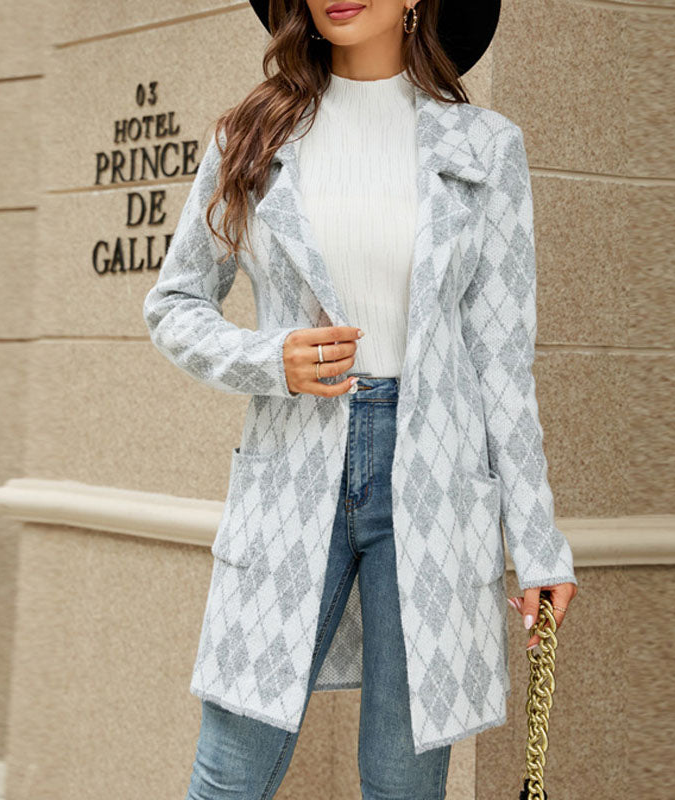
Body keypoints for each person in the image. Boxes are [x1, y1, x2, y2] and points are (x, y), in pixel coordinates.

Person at [143, 1, 579, 797]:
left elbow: (502, 361)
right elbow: (174, 305)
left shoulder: (485, 145)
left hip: (435, 480)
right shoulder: (251, 135)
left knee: (402, 781)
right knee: (229, 770)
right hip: (290, 470)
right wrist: (268, 358)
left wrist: (538, 541)